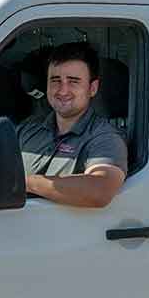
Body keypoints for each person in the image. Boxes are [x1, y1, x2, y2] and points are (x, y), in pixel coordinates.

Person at [18, 40, 128, 208]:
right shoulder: (28, 129)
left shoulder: (105, 137)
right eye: (55, 80)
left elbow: (99, 190)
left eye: (73, 81)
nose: (62, 90)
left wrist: (25, 183)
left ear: (92, 88)